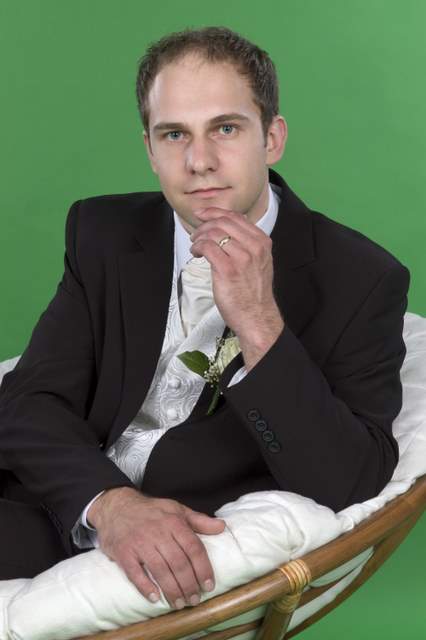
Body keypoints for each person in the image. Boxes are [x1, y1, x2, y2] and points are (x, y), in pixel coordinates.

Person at [0, 26, 410, 613]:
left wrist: (259, 322)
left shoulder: (361, 279)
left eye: (226, 128)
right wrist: (109, 504)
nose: (199, 162)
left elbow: (350, 481)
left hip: (184, 541)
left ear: (272, 138)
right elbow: (29, 399)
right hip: (58, 502)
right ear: (150, 149)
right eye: (174, 134)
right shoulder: (102, 232)